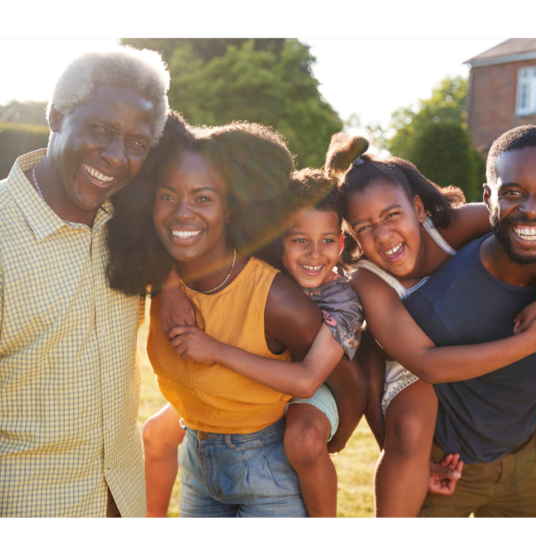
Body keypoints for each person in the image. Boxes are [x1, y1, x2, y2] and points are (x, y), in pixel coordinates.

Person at [325, 131, 536, 518]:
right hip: (413, 363)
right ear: (351, 234)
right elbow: (425, 362)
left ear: (418, 208)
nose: (383, 235)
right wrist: (530, 342)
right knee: (410, 429)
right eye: (364, 226)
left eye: (392, 215)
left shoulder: (453, 227)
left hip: (478, 341)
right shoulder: (369, 278)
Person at [108, 113, 331, 519]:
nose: (182, 213)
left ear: (230, 210)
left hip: (269, 469)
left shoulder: (276, 299)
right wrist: (169, 283)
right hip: (197, 462)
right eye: (167, 196)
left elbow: (344, 375)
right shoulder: (151, 274)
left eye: (203, 198)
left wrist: (323, 440)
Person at [399, 125, 536, 519]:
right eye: (512, 192)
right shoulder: (436, 303)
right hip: (447, 466)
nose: (532, 209)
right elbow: (385, 381)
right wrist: (410, 459)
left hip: (528, 459)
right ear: (487, 197)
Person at [0, 46, 169, 519]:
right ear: (56, 115)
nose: (116, 158)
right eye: (101, 130)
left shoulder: (132, 231)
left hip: (123, 502)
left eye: (137, 144)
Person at [153, 169, 367, 519]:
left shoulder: (342, 302)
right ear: (279, 240)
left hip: (316, 379)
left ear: (341, 243)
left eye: (327, 241)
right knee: (157, 430)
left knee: (304, 440)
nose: (315, 255)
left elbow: (308, 380)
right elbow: (174, 240)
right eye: (300, 241)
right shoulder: (262, 266)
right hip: (255, 387)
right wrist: (171, 285)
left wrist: (214, 350)